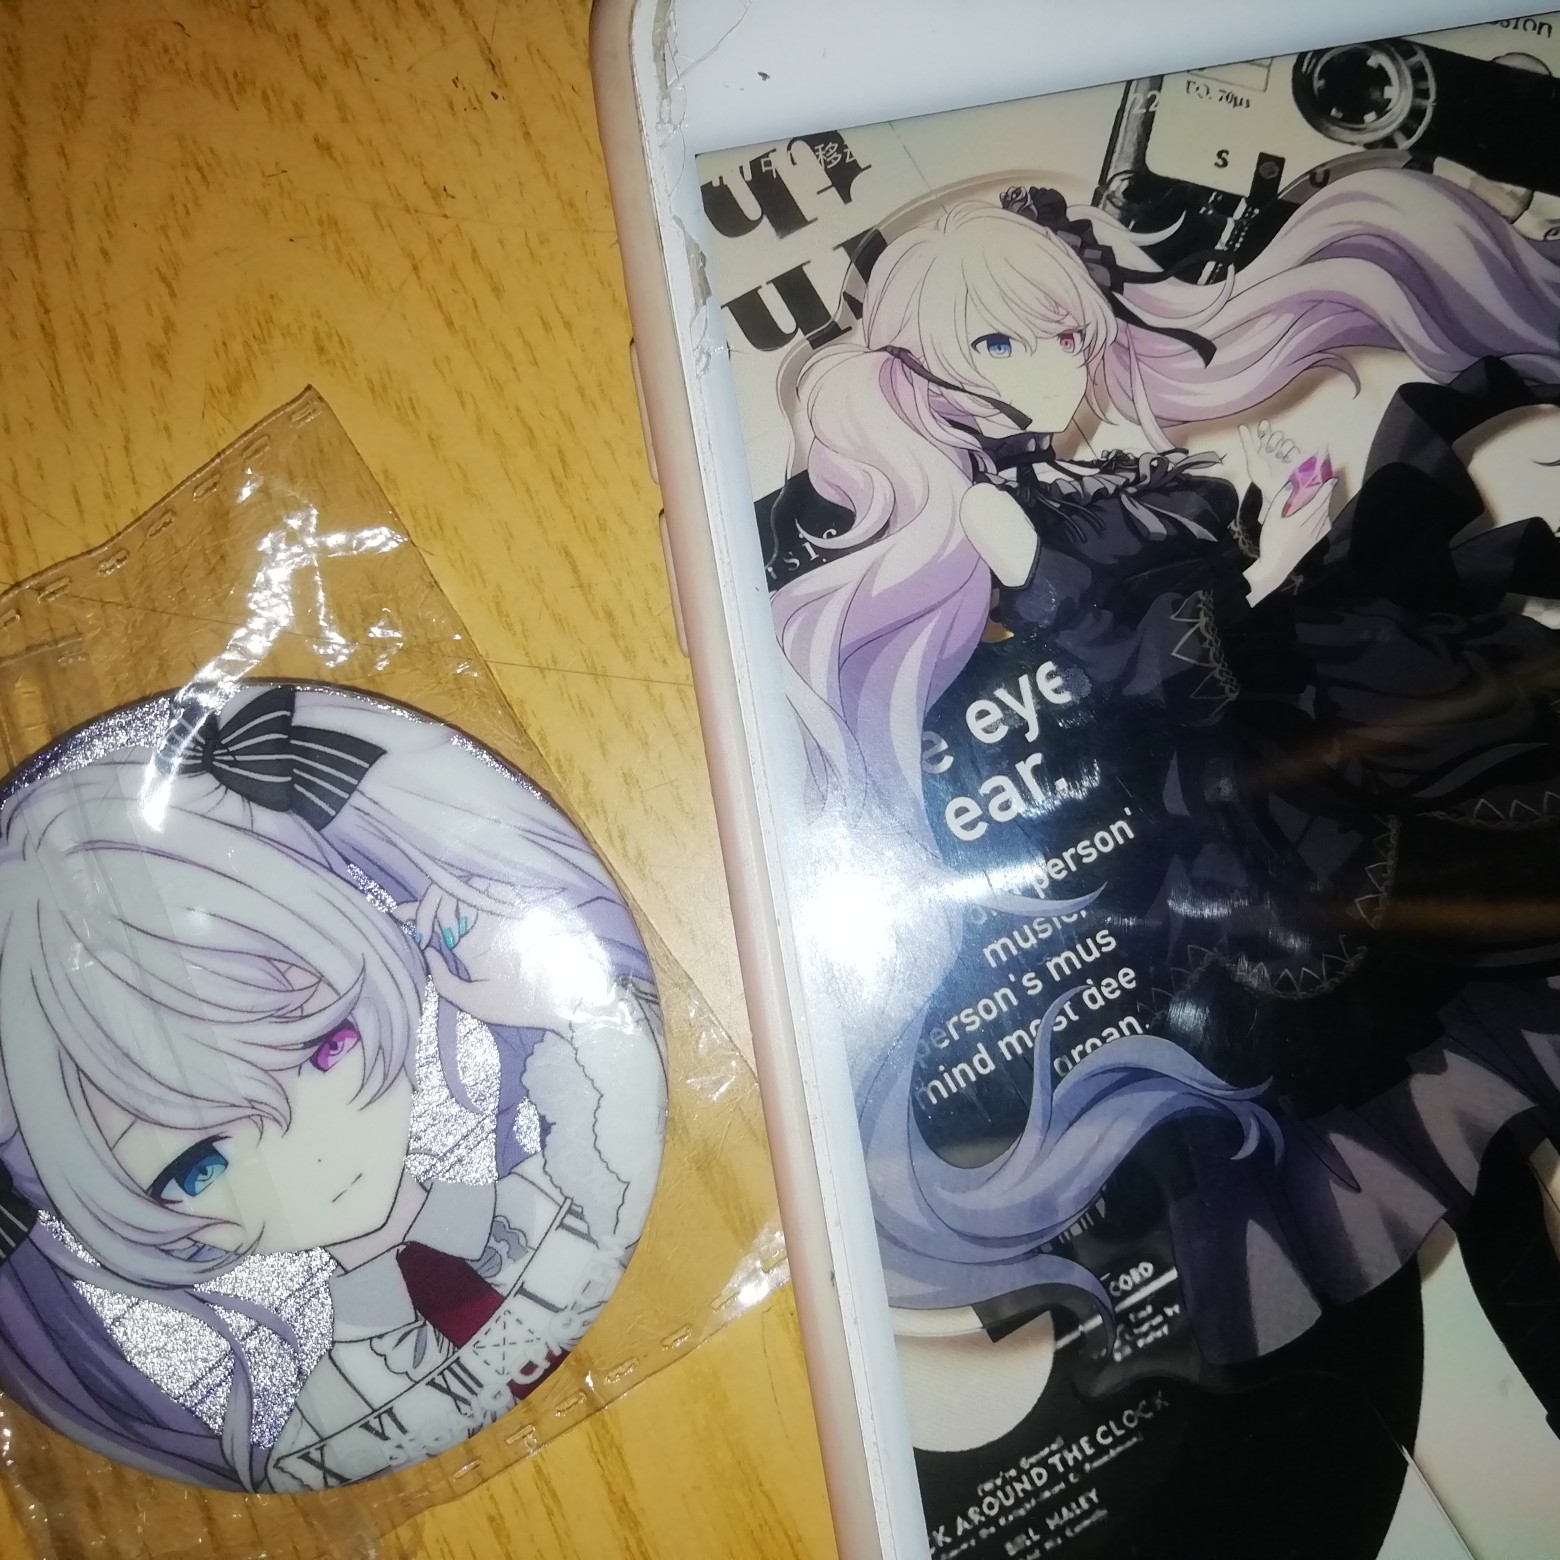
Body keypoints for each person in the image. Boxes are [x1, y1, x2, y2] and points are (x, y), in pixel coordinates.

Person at [771, 168, 1560, 1387]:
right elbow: (1138, 676)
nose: (1053, 367)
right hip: (1260, 832)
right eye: (1001, 343)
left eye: (1066, 335)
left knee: (1482, 1041)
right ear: (924, 373)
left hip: (1301, 746)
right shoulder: (999, 519)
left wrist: (1281, 550)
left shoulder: (1111, 475)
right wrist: (1278, 562)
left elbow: (1207, 618)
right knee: (1437, 1099)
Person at [0, 683, 666, 1489]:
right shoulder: (322, 1435)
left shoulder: (588, 1174)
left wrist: (540, 1000)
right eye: (200, 1166)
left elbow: (619, 1077)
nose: (308, 1156)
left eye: (325, 1049)